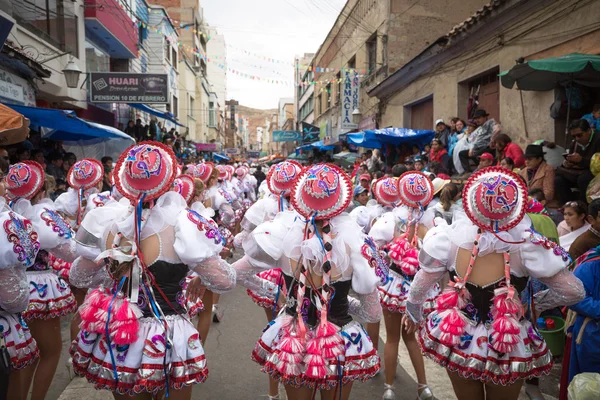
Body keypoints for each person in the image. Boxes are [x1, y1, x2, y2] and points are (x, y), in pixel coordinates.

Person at [69, 142, 236, 399]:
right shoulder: (182, 224)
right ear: (170, 183)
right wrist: (200, 273)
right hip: (168, 334)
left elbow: (78, 276)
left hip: (121, 330)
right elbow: (225, 281)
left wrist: (113, 273)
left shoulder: (110, 224)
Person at [405, 167, 585, 400]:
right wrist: (536, 302)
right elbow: (574, 291)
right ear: (516, 207)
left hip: (459, 333)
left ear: (471, 204)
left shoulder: (450, 239)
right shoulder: (526, 245)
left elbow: (419, 288)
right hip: (509, 339)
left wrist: (413, 312)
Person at [234, 163, 382, 400]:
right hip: (338, 339)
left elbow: (234, 275)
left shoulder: (283, 233)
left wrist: (277, 292)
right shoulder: (355, 242)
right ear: (342, 201)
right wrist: (341, 303)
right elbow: (373, 313)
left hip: (294, 338)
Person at [5, 161, 78, 400]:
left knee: (21, 357)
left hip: (7, 287)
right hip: (38, 289)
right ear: (40, 192)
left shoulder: (6, 212)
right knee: (48, 352)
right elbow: (71, 252)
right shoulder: (43, 215)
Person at [370, 172, 436, 400]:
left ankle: (389, 389)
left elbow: (371, 245)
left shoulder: (391, 219)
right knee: (411, 338)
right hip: (417, 285)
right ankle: (423, 386)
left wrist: (382, 268)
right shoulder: (431, 221)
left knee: (391, 338)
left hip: (393, 284)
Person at [555, 119, 600, 203]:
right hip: (578, 171)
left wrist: (582, 160)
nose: (577, 138)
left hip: (595, 173)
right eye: (574, 136)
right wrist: (568, 163)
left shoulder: (598, 139)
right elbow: (572, 157)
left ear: (589, 131)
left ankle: (583, 207)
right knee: (558, 180)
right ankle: (568, 206)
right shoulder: (575, 143)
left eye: (579, 135)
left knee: (583, 179)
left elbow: (597, 164)